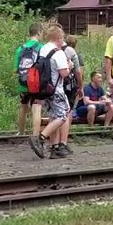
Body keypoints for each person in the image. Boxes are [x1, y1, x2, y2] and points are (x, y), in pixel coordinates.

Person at [29, 25, 73, 159]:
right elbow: (64, 73)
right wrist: (69, 66)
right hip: (56, 89)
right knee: (62, 115)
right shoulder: (58, 53)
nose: (63, 41)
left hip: (44, 89)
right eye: (62, 38)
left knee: (53, 117)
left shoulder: (42, 49)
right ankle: (40, 138)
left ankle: (55, 148)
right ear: (58, 38)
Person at [15, 23, 44, 136]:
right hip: (36, 84)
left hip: (23, 83)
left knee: (23, 107)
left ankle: (21, 132)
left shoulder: (20, 48)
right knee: (36, 108)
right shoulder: (41, 48)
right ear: (39, 32)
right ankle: (35, 135)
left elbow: (16, 69)